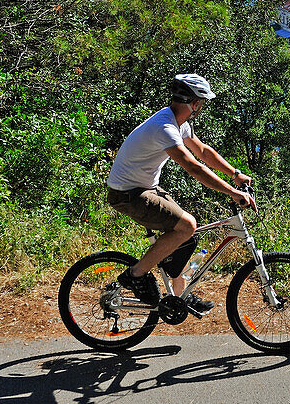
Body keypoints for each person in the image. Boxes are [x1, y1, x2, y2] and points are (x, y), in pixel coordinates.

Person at [107, 73, 255, 316]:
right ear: (194, 103)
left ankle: (180, 297)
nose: (202, 107)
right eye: (202, 102)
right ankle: (135, 275)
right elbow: (193, 166)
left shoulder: (179, 123)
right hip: (128, 193)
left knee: (186, 236)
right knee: (186, 225)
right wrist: (232, 192)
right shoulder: (165, 128)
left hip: (144, 188)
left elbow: (203, 152)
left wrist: (235, 173)